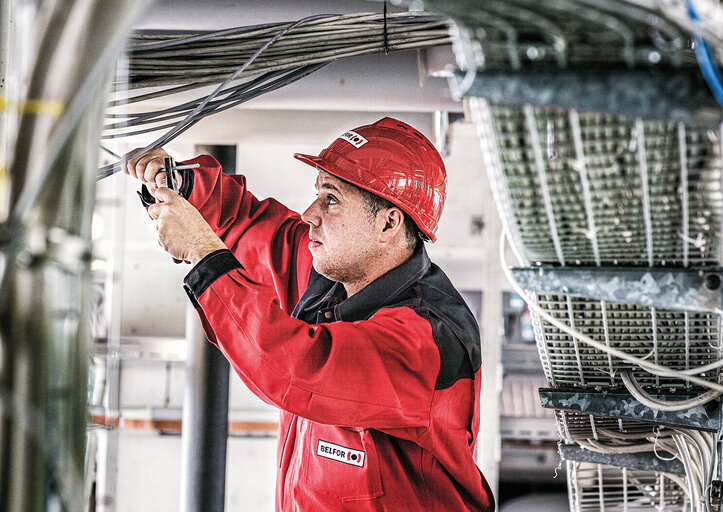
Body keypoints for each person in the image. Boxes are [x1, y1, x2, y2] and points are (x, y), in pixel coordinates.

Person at [125, 117, 495, 511]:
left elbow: (295, 370)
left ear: (388, 223)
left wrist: (203, 253)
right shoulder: (334, 276)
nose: (309, 213)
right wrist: (182, 186)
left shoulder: (425, 340)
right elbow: (248, 224)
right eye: (317, 193)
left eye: (331, 199)